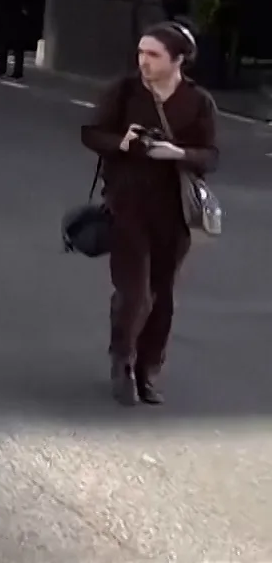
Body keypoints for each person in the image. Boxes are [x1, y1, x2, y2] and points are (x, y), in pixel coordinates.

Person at [80, 22, 218, 407]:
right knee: (134, 292)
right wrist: (121, 143)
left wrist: (179, 154)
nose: (144, 61)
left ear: (177, 59)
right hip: (127, 205)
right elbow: (92, 133)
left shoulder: (198, 101)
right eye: (141, 52)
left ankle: (148, 370)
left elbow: (211, 155)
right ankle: (122, 362)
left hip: (174, 211)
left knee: (162, 294)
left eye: (153, 54)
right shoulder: (124, 92)